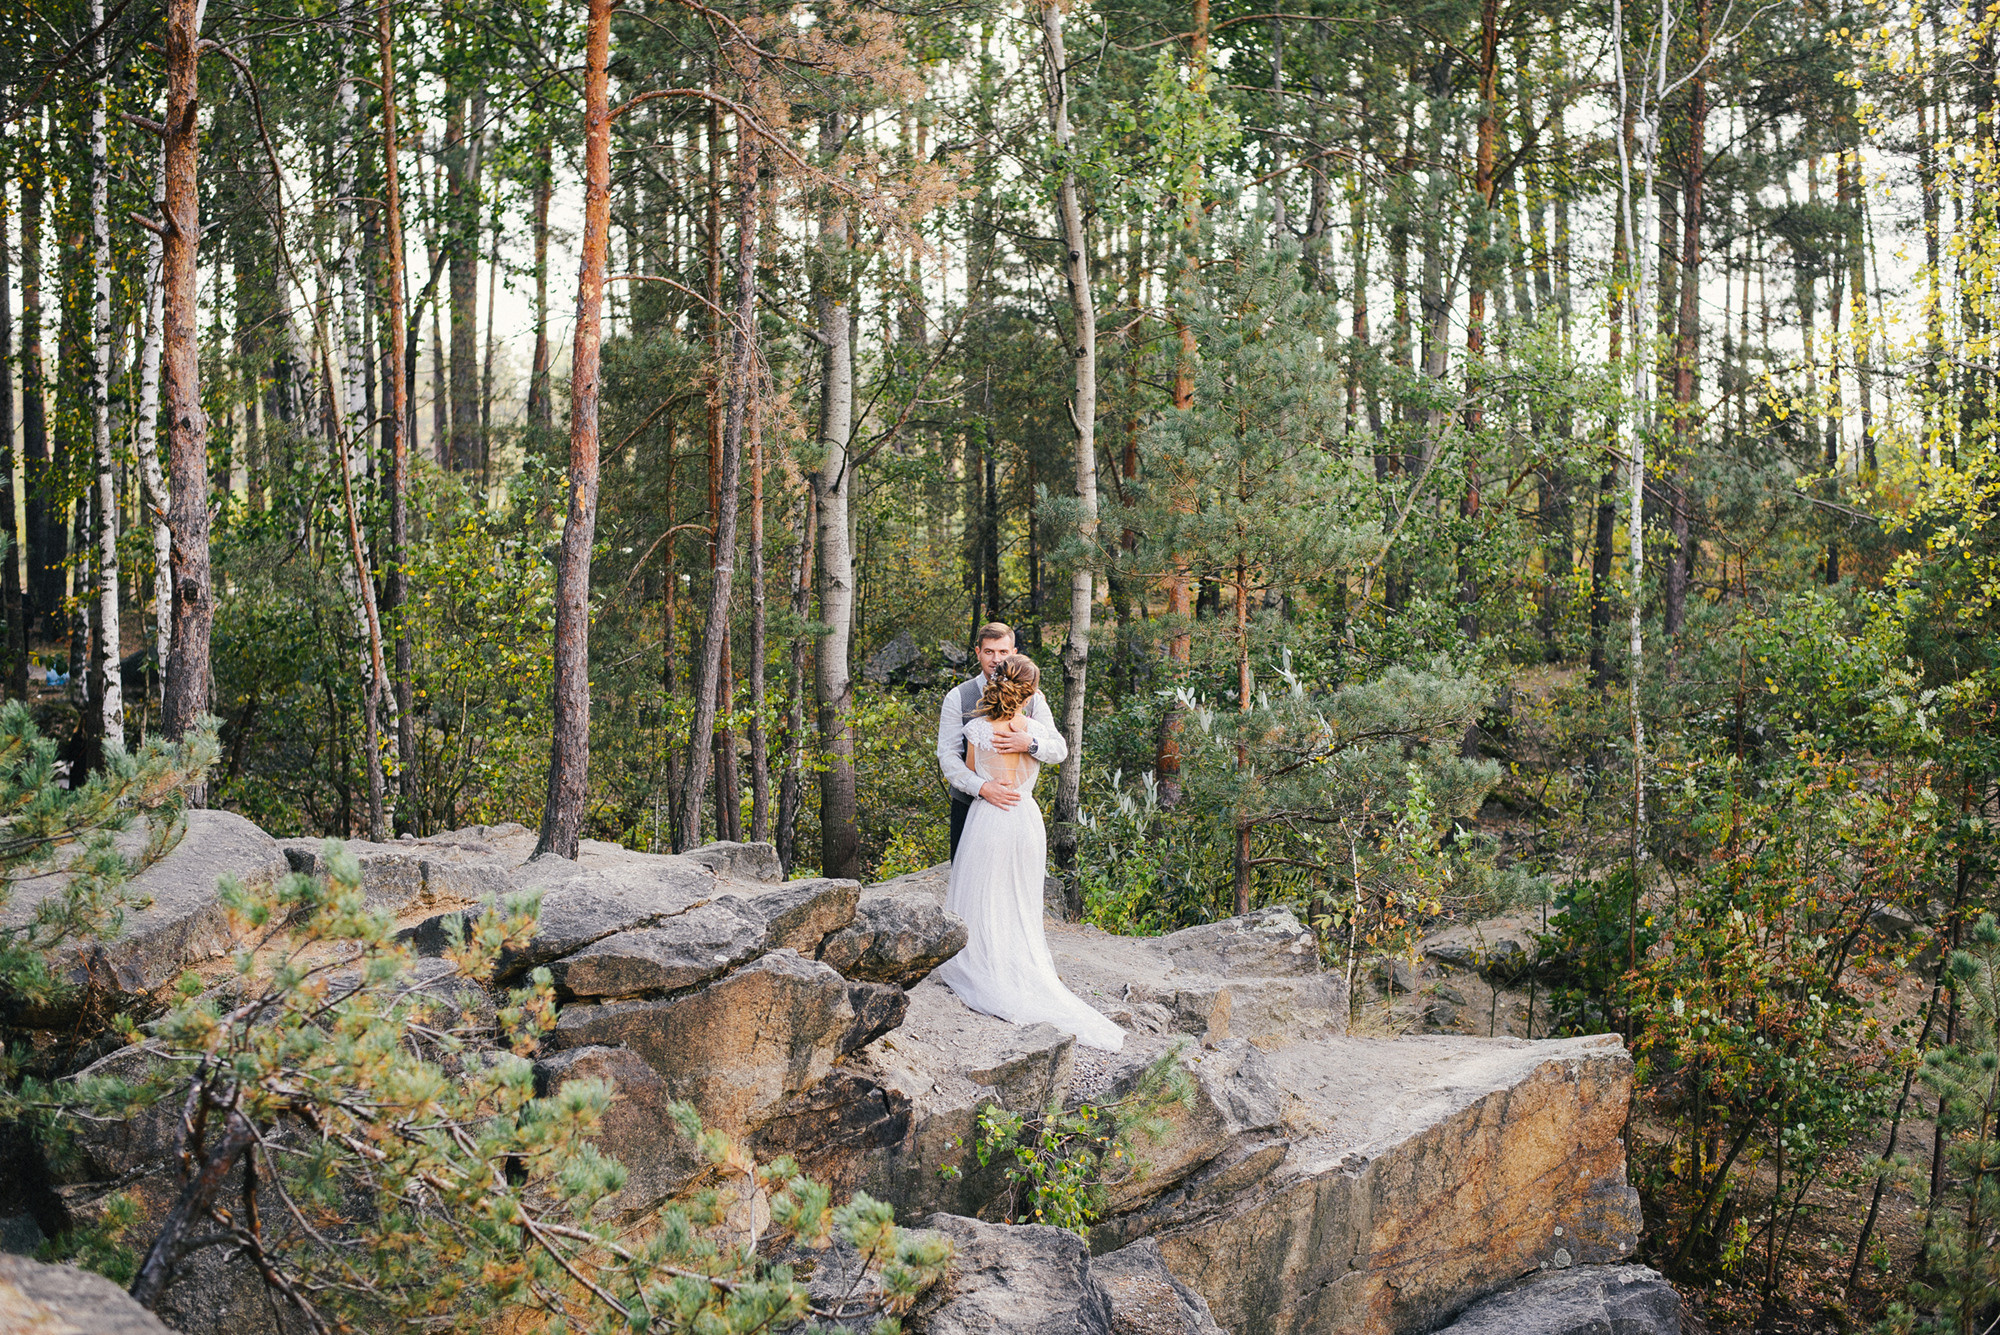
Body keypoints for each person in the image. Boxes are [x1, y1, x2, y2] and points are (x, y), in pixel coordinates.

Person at [933, 653, 1123, 1052]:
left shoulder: (977, 731)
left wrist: (989, 780)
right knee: (1018, 895)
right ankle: (1017, 959)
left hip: (988, 815)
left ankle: (983, 958)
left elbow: (972, 766)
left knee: (981, 892)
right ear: (1030, 691)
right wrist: (1027, 743)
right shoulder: (1035, 727)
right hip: (1024, 814)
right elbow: (1057, 751)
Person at [937, 623, 1065, 862]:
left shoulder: (1033, 698)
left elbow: (1058, 749)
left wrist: (1029, 743)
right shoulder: (958, 697)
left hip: (1016, 811)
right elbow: (948, 755)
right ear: (978, 652)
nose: (996, 659)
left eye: (1003, 652)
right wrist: (982, 788)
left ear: (1014, 652)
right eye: (989, 652)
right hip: (968, 807)